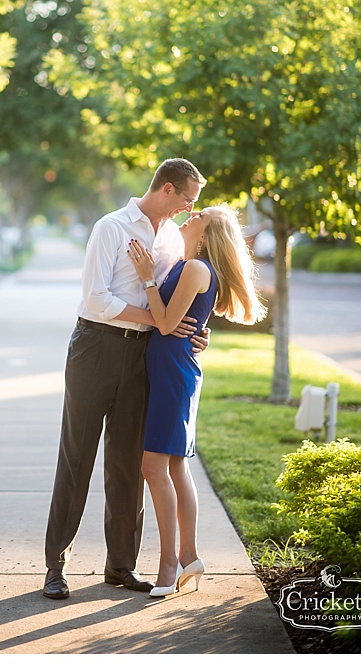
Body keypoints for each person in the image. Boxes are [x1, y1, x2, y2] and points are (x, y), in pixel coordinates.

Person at [42, 158, 209, 601]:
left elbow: (174, 299)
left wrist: (190, 330)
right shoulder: (112, 227)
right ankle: (55, 566)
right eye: (187, 200)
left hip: (142, 358)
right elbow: (96, 298)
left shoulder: (173, 238)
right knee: (77, 456)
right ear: (167, 189)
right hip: (95, 347)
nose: (188, 210)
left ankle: (121, 565)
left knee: (128, 464)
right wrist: (162, 323)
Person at [127, 206, 266, 597]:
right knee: (173, 467)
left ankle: (169, 563)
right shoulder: (187, 265)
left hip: (174, 374)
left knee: (153, 468)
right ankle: (189, 556)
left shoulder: (196, 269)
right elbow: (182, 322)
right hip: (173, 369)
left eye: (198, 216)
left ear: (206, 235)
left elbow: (168, 324)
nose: (189, 217)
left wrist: (146, 280)